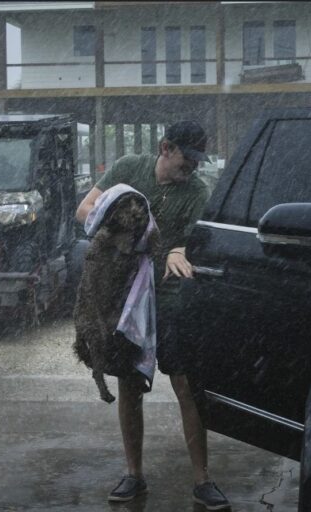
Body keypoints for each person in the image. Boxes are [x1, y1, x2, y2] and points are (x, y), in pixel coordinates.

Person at [75, 120, 230, 510]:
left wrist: (180, 249)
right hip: (126, 300)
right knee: (129, 386)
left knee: (186, 387)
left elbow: (195, 241)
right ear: (165, 148)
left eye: (197, 159)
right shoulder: (129, 168)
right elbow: (85, 210)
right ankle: (134, 474)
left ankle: (202, 479)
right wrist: (125, 227)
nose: (192, 166)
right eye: (186, 158)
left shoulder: (197, 192)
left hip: (172, 302)